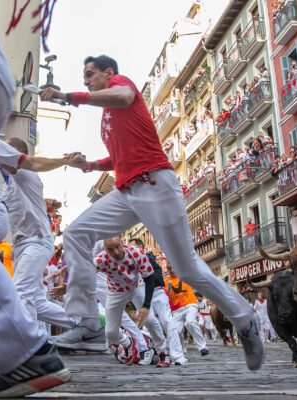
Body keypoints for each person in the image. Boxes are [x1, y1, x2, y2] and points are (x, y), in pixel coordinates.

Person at [40, 55, 264, 371]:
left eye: (90, 74)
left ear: (109, 73)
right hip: (127, 191)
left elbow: (125, 97)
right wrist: (89, 165)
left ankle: (245, 319)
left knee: (187, 269)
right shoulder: (107, 117)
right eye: (84, 77)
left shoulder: (121, 86)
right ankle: (89, 323)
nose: (86, 80)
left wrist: (67, 97)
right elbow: (119, 156)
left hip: (155, 184)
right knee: (76, 232)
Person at [0, 3, 70, 396]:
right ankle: (27, 354)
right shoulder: (1, 155)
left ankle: (81, 325)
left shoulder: (14, 163)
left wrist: (66, 159)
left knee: (28, 292)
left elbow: (34, 161)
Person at [2, 137, 76, 331]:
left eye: (5, 151)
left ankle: (26, 346)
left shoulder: (25, 171)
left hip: (36, 241)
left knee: (20, 292)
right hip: (21, 246)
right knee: (38, 303)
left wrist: (64, 160)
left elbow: (36, 162)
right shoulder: (8, 183)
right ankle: (87, 325)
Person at [94, 237, 169, 366]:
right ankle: (128, 342)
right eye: (111, 250)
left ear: (123, 242)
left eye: (118, 246)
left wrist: (145, 307)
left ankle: (163, 352)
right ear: (105, 250)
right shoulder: (101, 259)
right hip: (115, 292)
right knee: (110, 333)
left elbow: (149, 279)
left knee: (149, 319)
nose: (116, 252)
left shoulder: (136, 254)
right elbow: (84, 273)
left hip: (136, 287)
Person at [130, 239, 185, 367]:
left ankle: (178, 356)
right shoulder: (128, 263)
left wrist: (143, 275)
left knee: (167, 321)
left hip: (157, 293)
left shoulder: (149, 258)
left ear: (141, 248)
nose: (131, 250)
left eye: (134, 247)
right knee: (149, 323)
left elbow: (158, 278)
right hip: (142, 295)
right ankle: (162, 353)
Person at [164, 263, 209, 356]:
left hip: (190, 304)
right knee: (176, 330)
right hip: (177, 309)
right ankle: (182, 350)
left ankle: (203, 347)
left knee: (190, 322)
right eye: (169, 268)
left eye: (173, 267)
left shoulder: (185, 275)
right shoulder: (166, 281)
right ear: (167, 269)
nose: (171, 270)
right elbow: (165, 296)